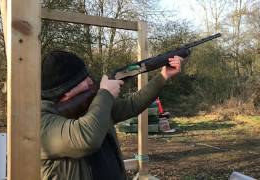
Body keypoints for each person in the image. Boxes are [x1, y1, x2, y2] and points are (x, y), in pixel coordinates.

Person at [40, 50, 183, 180]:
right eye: (83, 79)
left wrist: (163, 76)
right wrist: (106, 94)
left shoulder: (92, 103)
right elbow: (86, 138)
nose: (90, 81)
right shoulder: (40, 121)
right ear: (65, 90)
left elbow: (131, 106)